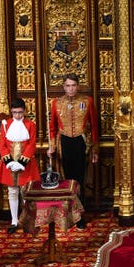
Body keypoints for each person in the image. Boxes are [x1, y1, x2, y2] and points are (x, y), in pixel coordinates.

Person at [48, 73, 99, 229]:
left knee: (79, 179)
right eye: (68, 86)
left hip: (80, 142)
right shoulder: (56, 103)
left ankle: (79, 216)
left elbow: (95, 126)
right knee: (65, 179)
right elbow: (52, 127)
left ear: (78, 86)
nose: (70, 89)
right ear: (64, 87)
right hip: (63, 143)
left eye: (73, 85)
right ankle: (67, 214)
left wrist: (95, 150)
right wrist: (51, 146)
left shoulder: (87, 101)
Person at [0, 98, 40, 234]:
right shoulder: (5, 124)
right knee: (12, 192)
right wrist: (9, 162)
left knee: (25, 192)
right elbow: (2, 144)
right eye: (14, 112)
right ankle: (14, 220)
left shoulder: (30, 125)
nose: (17, 115)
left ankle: (26, 219)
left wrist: (21, 163)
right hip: (9, 165)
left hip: (25, 165)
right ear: (11, 112)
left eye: (20, 112)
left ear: (24, 111)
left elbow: (32, 144)